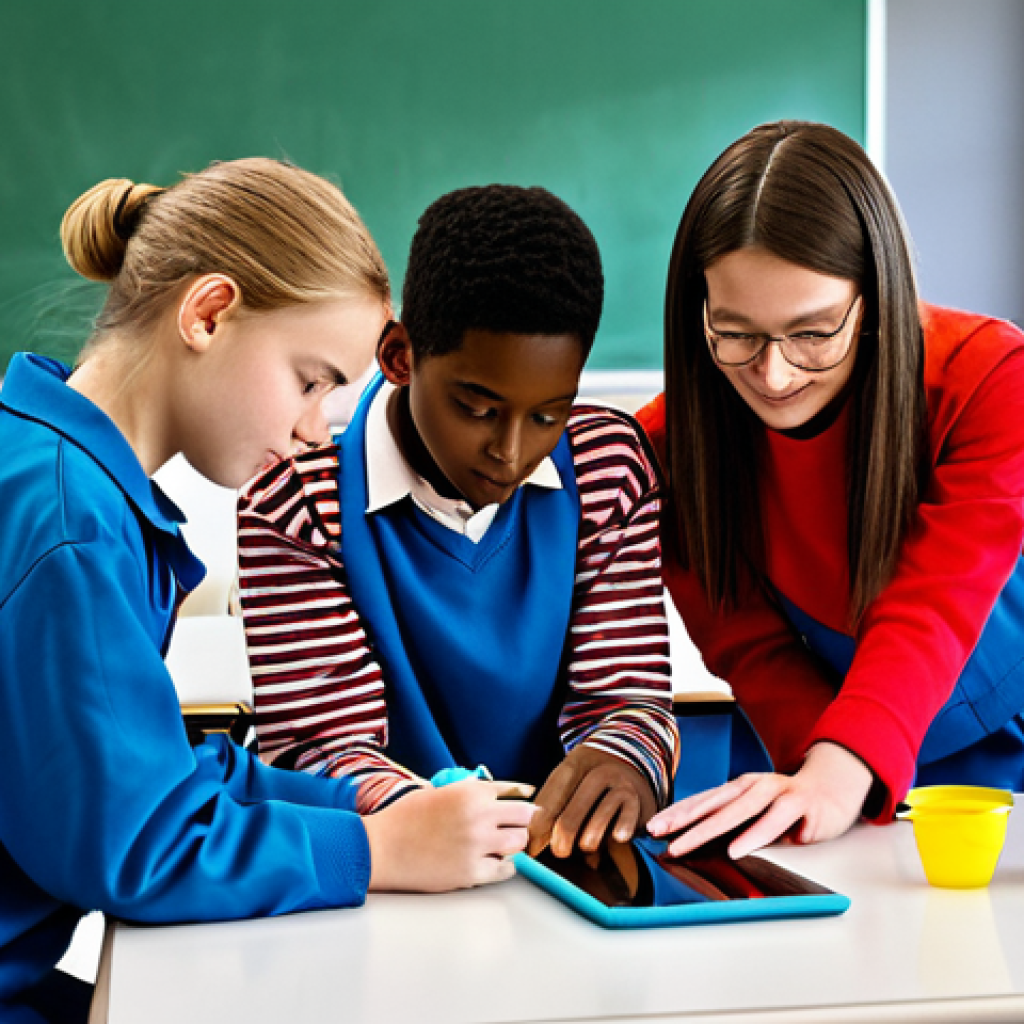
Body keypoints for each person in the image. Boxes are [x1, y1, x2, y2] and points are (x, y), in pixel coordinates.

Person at [0, 159, 536, 1024]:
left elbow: (155, 776)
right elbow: (137, 847)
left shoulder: (52, 471)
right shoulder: (73, 526)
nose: (311, 431)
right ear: (209, 315)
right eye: (312, 379)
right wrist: (377, 848)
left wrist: (363, 799)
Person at [237, 184, 678, 860]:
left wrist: (625, 759)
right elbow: (319, 751)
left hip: (562, 871)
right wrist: (448, 821)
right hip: (385, 879)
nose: (510, 452)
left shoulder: (608, 469)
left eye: (548, 414)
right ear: (400, 357)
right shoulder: (294, 504)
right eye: (476, 407)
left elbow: (628, 701)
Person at [639, 121, 1024, 859]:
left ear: (874, 299)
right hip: (806, 748)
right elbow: (747, 643)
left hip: (993, 754)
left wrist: (844, 768)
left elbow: (935, 604)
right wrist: (821, 774)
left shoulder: (988, 378)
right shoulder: (665, 445)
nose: (775, 376)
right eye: (736, 333)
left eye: (813, 333)